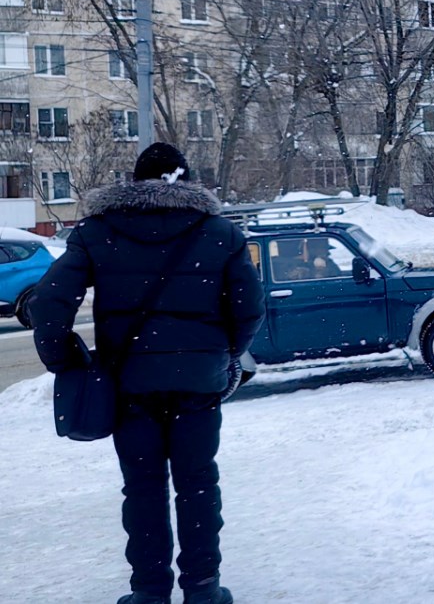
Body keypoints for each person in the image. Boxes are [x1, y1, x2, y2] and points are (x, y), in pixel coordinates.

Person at [32, 143, 264, 604]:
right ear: (187, 180)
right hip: (198, 384)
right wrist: (226, 356)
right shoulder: (219, 232)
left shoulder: (98, 231)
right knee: (198, 483)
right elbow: (250, 307)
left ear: (135, 182)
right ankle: (202, 589)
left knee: (142, 487)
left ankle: (150, 592)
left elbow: (48, 302)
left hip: (130, 384)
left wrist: (64, 361)